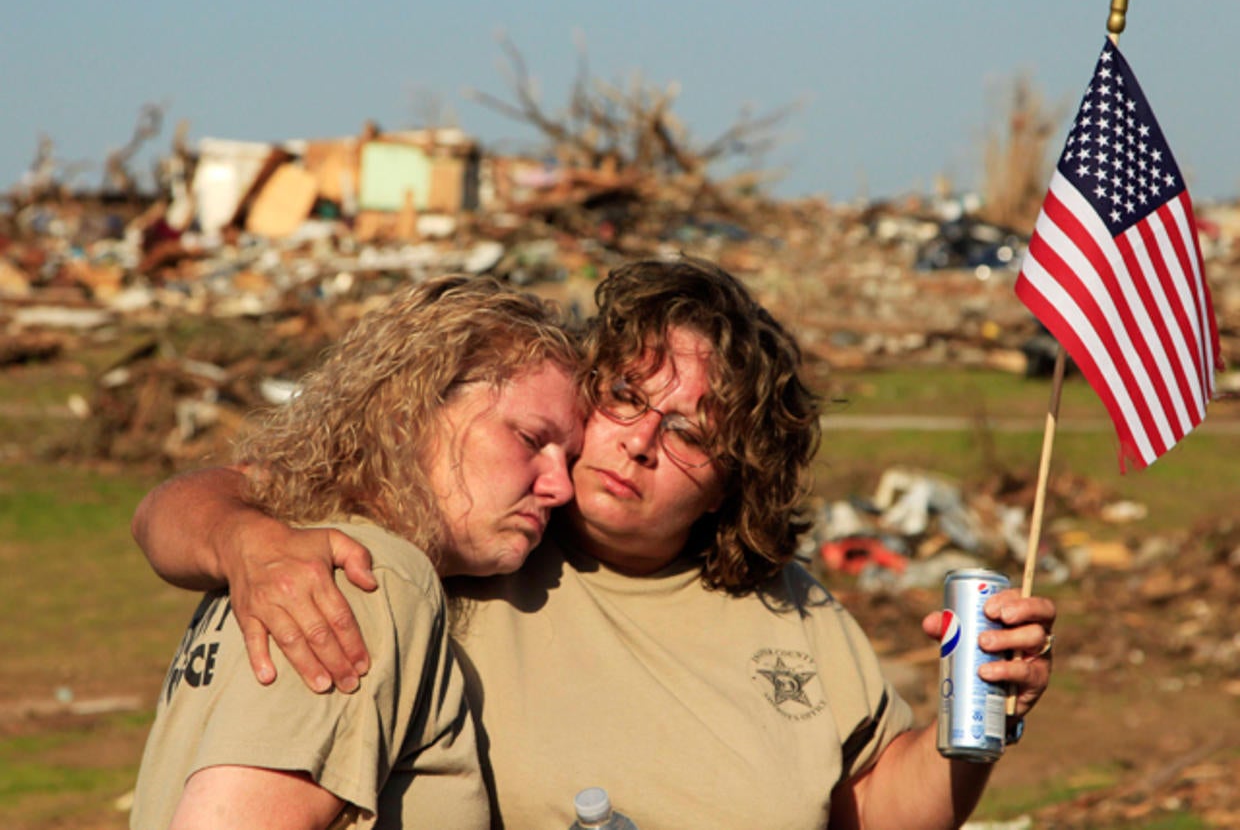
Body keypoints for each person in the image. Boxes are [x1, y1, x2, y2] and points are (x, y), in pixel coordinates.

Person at [133, 257, 1056, 830]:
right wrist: (245, 540)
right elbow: (195, 503)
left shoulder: (790, 605)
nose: (642, 444)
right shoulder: (461, 543)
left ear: (738, 479)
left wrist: (971, 732)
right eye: (625, 398)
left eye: (694, 434)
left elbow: (868, 806)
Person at [129, 275, 584, 830]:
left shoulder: (286, 535)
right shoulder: (366, 574)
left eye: (570, 457)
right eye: (532, 440)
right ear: (410, 413)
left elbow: (166, 505)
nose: (560, 487)